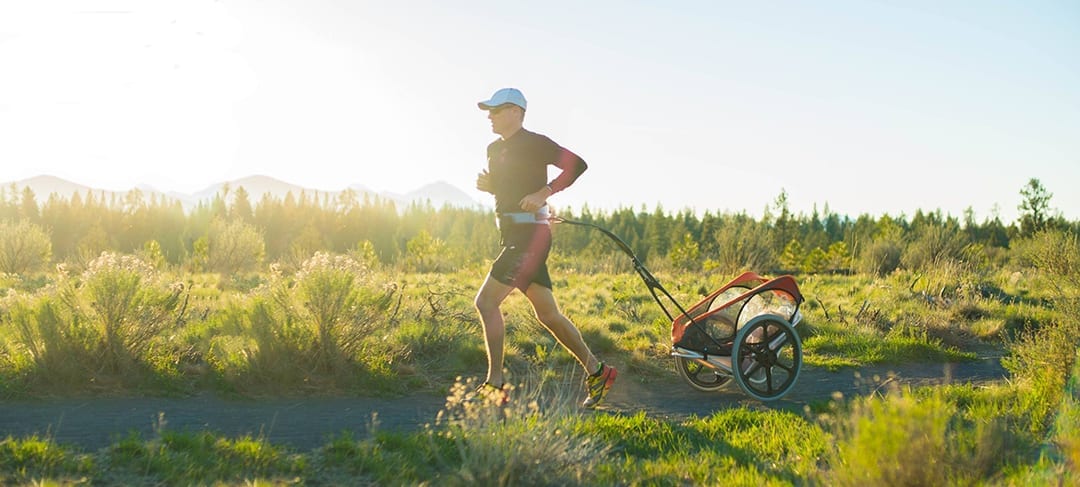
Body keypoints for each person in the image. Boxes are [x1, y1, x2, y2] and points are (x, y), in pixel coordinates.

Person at [473, 87, 616, 408]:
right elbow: (509, 188)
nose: (490, 117)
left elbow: (577, 165)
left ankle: (495, 384)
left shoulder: (536, 143)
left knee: (485, 303)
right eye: (489, 111)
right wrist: (490, 186)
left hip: (530, 236)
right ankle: (598, 371)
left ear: (515, 112)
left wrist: (545, 192)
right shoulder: (493, 149)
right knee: (548, 315)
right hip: (512, 233)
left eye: (496, 110)